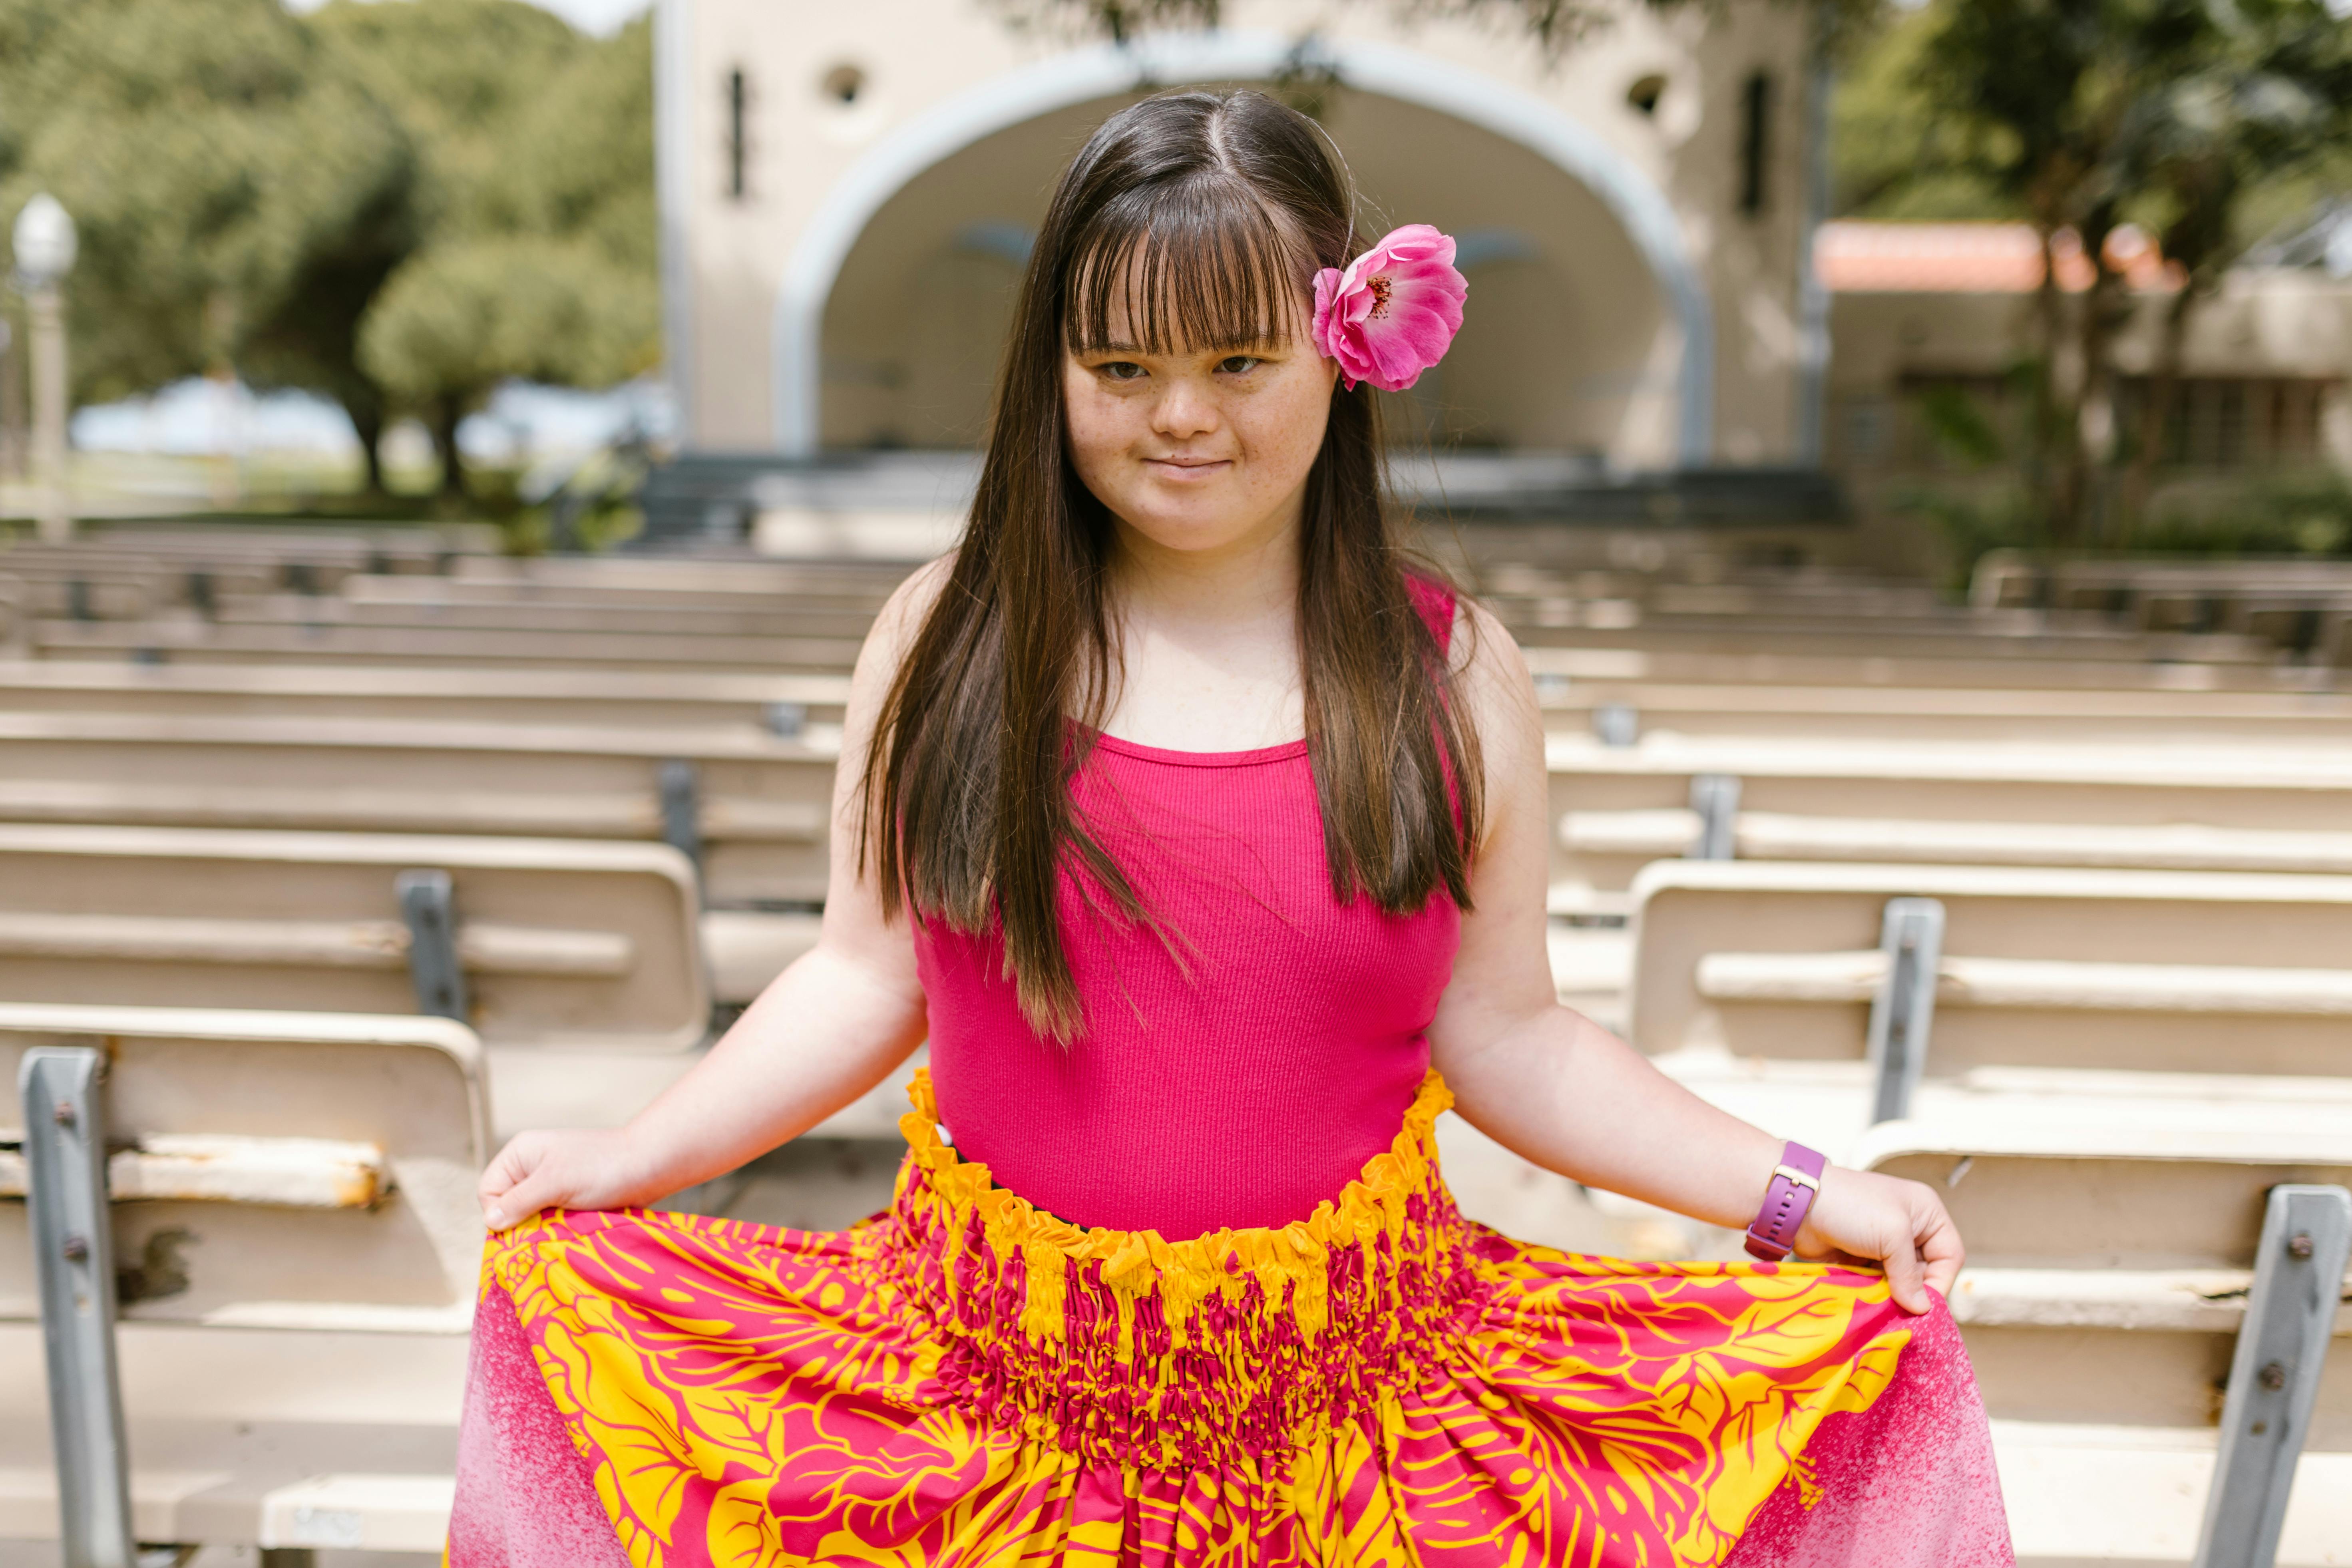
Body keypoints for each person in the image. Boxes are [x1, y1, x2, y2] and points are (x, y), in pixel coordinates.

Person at [446, 88, 2012, 1568]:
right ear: (1050, 370)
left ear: (1346, 351)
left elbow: (1512, 1038)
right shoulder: (947, 638)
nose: (1177, 417)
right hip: (978, 1403)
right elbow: (863, 978)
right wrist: (630, 1156)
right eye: (1119, 369)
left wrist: (1810, 1192)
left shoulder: (1450, 673)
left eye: (1237, 365)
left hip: (1365, 1429)